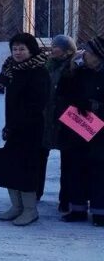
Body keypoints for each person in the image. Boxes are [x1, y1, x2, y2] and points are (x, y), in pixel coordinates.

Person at [0, 32, 50, 226]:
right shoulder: (9, 70)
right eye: (15, 49)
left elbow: (36, 103)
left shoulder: (38, 72)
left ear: (31, 50)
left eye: (22, 49)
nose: (18, 52)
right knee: (7, 167)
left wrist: (15, 123)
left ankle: (30, 209)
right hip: (5, 128)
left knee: (24, 169)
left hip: (27, 129)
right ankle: (16, 206)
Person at [55, 36, 104, 226]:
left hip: (100, 132)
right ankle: (78, 209)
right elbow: (63, 93)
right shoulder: (79, 72)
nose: (85, 55)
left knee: (99, 171)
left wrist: (96, 106)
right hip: (77, 128)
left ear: (99, 56)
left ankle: (100, 211)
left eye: (89, 53)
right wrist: (69, 73)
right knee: (75, 169)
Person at [43, 34, 77, 211]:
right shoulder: (48, 67)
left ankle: (66, 199)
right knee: (41, 156)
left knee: (68, 162)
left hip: (67, 120)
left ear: (67, 51)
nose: (52, 49)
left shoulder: (73, 69)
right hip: (48, 118)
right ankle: (35, 193)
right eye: (53, 45)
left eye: (57, 46)